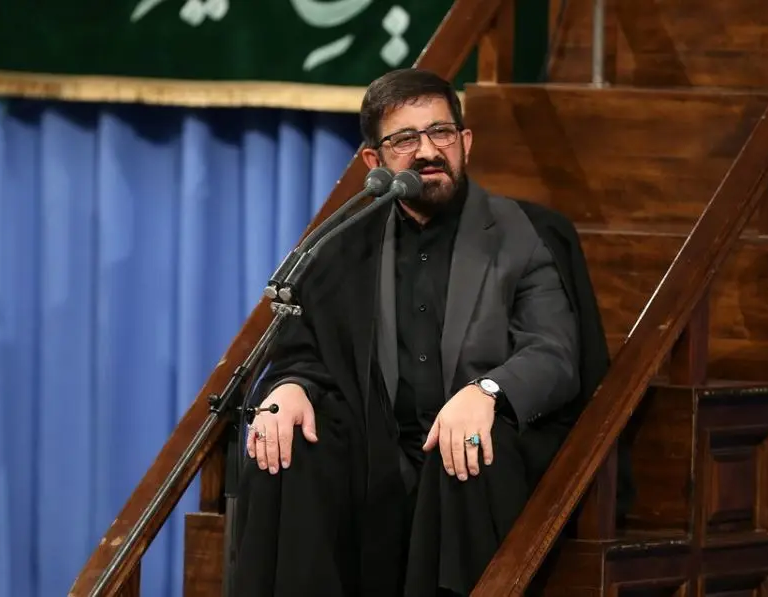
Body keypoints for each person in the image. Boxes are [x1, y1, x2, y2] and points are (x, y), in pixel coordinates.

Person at [231, 68, 605, 597]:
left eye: (441, 132)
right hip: (377, 457)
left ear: (466, 142)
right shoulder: (347, 246)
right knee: (290, 444)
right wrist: (290, 386)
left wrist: (487, 391)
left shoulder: (526, 233)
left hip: (482, 455)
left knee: (470, 447)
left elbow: (554, 353)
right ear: (374, 162)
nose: (428, 151)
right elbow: (311, 351)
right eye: (405, 139)